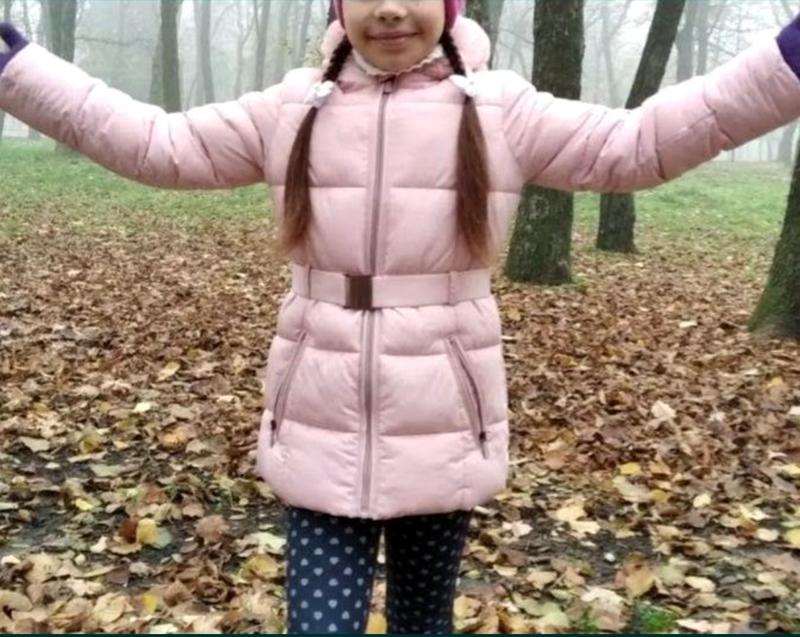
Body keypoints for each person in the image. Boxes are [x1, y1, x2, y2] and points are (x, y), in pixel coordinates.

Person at [3, 0, 800, 633]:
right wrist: (17, 68)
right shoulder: (290, 107)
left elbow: (639, 144)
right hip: (316, 419)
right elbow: (156, 144)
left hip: (443, 422)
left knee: (423, 622)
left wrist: (784, 64)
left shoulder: (501, 108)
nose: (389, 9)